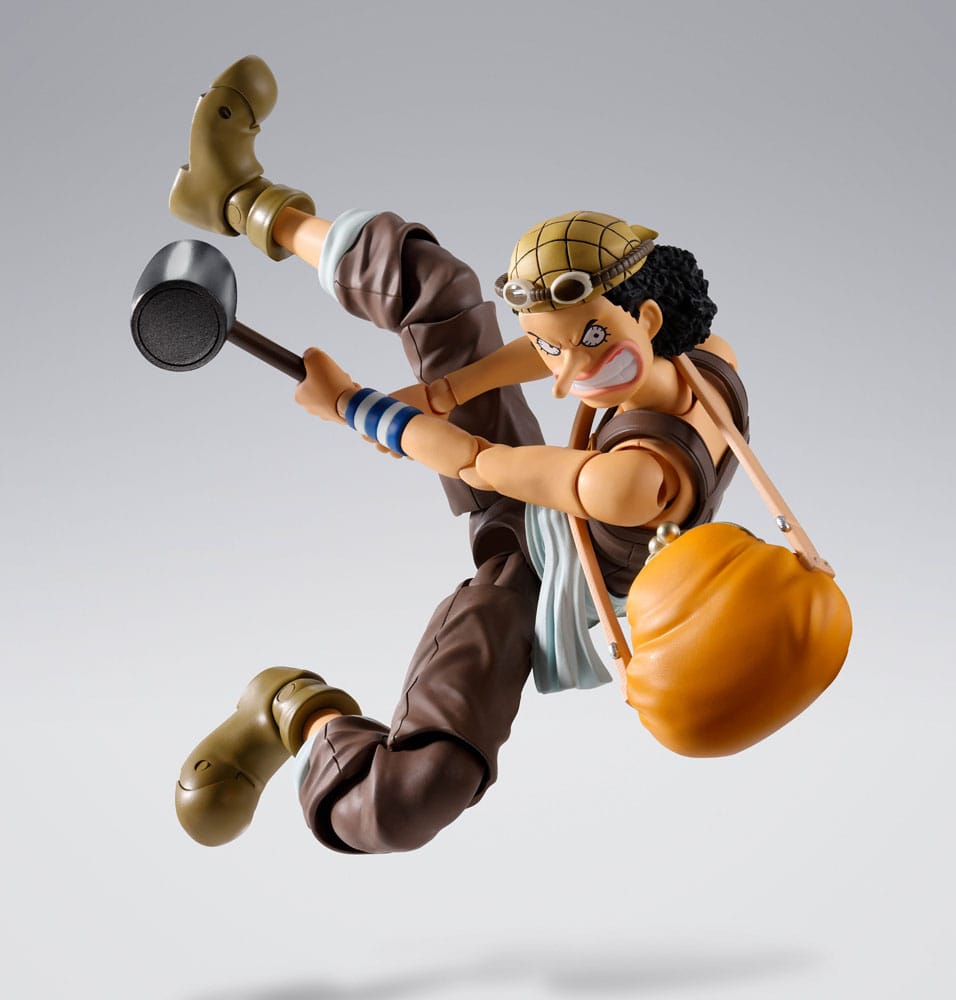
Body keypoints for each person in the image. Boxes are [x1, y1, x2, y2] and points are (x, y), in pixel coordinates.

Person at [170, 57, 748, 853]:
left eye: (592, 341)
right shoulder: (707, 356)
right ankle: (238, 198)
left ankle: (288, 710)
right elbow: (552, 352)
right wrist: (449, 387)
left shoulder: (631, 481)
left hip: (535, 570)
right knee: (441, 289)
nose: (568, 377)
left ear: (647, 316)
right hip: (557, 499)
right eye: (552, 348)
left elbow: (479, 464)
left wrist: (352, 406)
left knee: (413, 795)